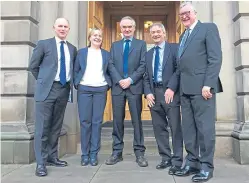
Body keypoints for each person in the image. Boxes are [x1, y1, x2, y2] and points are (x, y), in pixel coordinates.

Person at [174, 2, 223, 182]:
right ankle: (192, 162)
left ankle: (206, 167)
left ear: (195, 13)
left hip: (203, 89)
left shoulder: (208, 28)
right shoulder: (183, 35)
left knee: (205, 130)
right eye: (181, 14)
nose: (184, 16)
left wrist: (208, 84)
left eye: (187, 13)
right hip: (185, 89)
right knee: (189, 129)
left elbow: (215, 58)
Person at [29, 18, 77, 176]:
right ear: (54, 28)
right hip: (47, 90)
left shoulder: (72, 48)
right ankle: (41, 163)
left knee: (56, 126)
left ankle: (52, 156)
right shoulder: (44, 44)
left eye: (65, 26)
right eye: (60, 26)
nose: (63, 29)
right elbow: (33, 66)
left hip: (63, 90)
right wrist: (44, 82)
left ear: (68, 29)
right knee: (42, 127)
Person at [105, 16, 148, 167]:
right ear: (120, 29)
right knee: (117, 121)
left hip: (134, 87)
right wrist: (119, 80)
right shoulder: (114, 45)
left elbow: (143, 65)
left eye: (130, 27)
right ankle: (117, 152)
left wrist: (129, 80)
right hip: (118, 88)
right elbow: (110, 64)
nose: (127, 29)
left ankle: (139, 153)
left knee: (137, 121)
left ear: (134, 28)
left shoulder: (141, 44)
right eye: (124, 27)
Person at [143, 23, 183, 174]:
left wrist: (171, 88)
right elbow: (146, 76)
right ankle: (165, 157)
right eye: (153, 32)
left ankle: (177, 160)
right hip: (154, 94)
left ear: (164, 33)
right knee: (159, 128)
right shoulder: (148, 54)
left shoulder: (174, 48)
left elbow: (179, 69)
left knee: (175, 127)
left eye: (158, 31)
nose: (155, 34)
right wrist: (147, 92)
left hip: (170, 94)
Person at [73, 28, 111, 166]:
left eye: (100, 35)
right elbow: (76, 69)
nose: (97, 37)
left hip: (100, 89)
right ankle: (85, 154)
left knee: (97, 122)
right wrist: (77, 84)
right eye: (95, 35)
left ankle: (94, 154)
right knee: (85, 122)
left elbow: (109, 71)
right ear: (89, 38)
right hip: (84, 89)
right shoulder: (81, 53)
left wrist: (108, 84)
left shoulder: (106, 54)